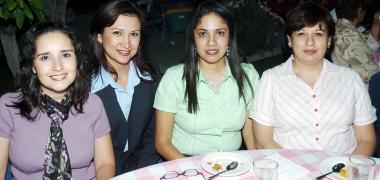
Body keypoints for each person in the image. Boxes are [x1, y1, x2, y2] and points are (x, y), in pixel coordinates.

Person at [250, 2, 376, 156]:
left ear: (329, 40)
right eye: (301, 34)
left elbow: (366, 140)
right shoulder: (271, 79)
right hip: (290, 170)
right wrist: (299, 169)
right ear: (290, 40)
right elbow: (263, 141)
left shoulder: (350, 79)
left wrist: (350, 170)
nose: (310, 42)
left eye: (318, 34)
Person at [0, 22, 115, 180]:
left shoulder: (93, 104)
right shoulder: (8, 106)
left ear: (77, 59)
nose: (58, 66)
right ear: (33, 66)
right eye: (45, 57)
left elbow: (105, 164)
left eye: (66, 55)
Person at [154, 0, 260, 160]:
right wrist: (194, 172)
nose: (211, 42)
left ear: (230, 38)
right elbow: (162, 143)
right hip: (185, 161)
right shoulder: (174, 79)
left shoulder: (248, 76)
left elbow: (249, 133)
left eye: (220, 33)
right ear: (194, 39)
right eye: (203, 33)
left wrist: (257, 162)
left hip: (233, 161)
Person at [90, 0, 160, 174]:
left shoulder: (151, 77)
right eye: (117, 33)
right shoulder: (85, 87)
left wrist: (142, 174)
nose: (127, 43)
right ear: (99, 36)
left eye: (134, 34)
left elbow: (152, 135)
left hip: (144, 167)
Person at [331, 0, 380, 85]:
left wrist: (376, 27)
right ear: (359, 10)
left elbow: (362, 53)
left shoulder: (339, 27)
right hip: (358, 89)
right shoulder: (349, 36)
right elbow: (372, 74)